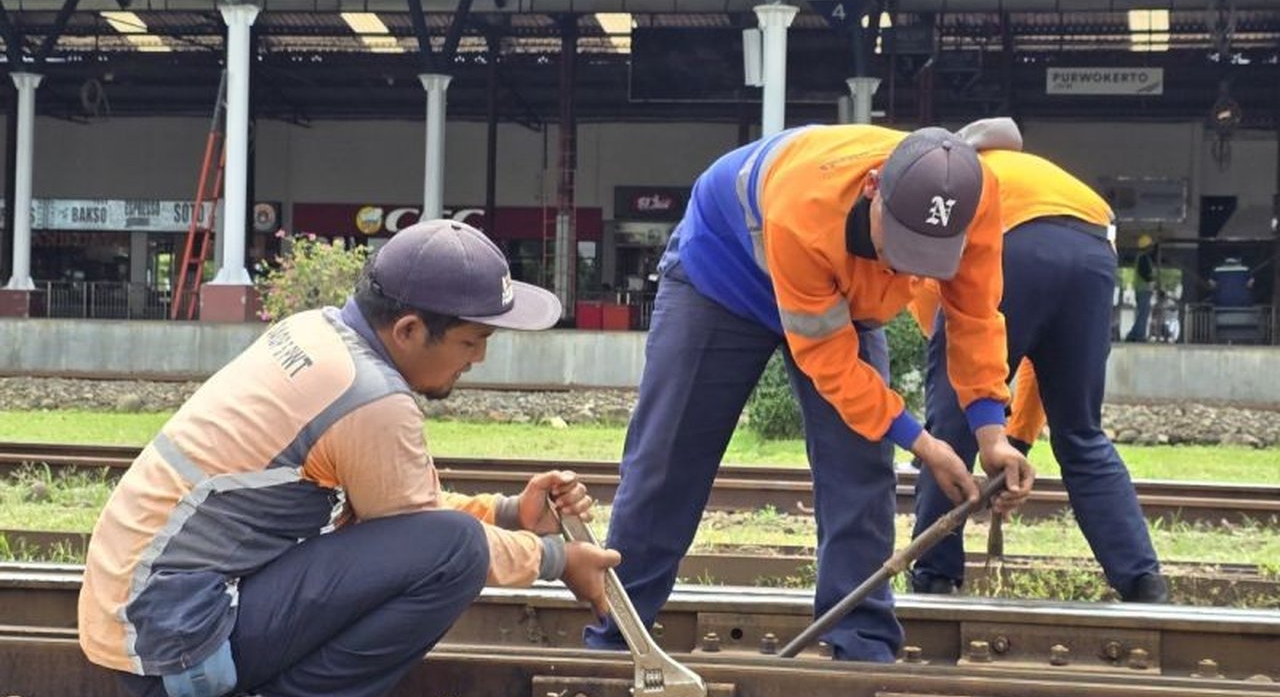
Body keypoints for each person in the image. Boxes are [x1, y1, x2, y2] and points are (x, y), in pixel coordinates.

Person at [79, 220, 622, 697]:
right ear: (409, 330)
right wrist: (555, 560)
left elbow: (407, 519)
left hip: (151, 618)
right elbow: (431, 540)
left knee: (447, 542)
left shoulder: (318, 334)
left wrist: (510, 514)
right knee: (456, 553)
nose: (478, 358)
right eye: (472, 341)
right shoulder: (372, 399)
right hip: (175, 642)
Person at [584, 121, 1035, 663]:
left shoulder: (974, 198)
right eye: (902, 246)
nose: (905, 268)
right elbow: (828, 361)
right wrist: (925, 444)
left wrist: (993, 434)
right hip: (721, 278)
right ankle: (617, 635)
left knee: (861, 468)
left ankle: (861, 641)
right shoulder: (804, 208)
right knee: (668, 459)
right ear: (873, 187)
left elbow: (974, 316)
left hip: (845, 295)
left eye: (926, 258)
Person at [908, 143, 1167, 603]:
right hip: (1094, 249)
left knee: (949, 426)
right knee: (1081, 432)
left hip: (1013, 243)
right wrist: (1015, 445)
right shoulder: (1037, 172)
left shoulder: (944, 185)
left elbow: (964, 360)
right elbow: (1035, 365)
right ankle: (1143, 583)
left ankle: (934, 577)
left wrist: (992, 438)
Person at [1124, 234, 1156, 342]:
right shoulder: (1144, 258)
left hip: (1141, 289)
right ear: (1147, 247)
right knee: (1144, 313)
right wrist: (1152, 281)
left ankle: (1136, 334)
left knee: (1142, 312)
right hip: (1144, 289)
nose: (1152, 248)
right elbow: (1146, 274)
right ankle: (1137, 335)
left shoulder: (1140, 257)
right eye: (1150, 246)